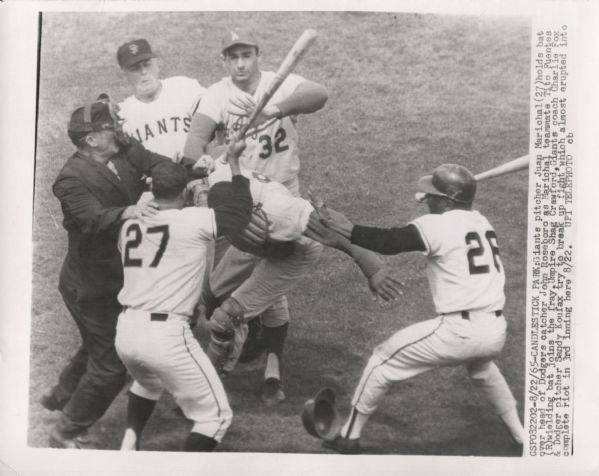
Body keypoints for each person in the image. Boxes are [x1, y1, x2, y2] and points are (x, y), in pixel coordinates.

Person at [312, 163, 524, 454]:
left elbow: (387, 242)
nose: (425, 198)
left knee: (381, 359)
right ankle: (523, 438)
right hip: (495, 331)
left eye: (432, 195)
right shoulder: (482, 221)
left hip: (459, 331)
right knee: (483, 369)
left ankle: (348, 437)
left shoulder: (437, 225)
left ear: (448, 200)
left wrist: (337, 223)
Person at [183, 28, 329, 403]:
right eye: (233, 57)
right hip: (243, 204)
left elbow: (319, 94)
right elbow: (194, 141)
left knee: (270, 291)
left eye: (246, 55)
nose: (240, 63)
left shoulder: (283, 84)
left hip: (285, 202)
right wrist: (202, 158)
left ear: (258, 55)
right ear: (224, 60)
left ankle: (270, 372)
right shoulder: (217, 94)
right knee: (220, 292)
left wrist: (273, 110)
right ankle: (244, 344)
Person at [195, 161, 402, 390]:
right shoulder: (218, 178)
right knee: (210, 298)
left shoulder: (282, 211)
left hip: (296, 249)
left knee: (225, 319)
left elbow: (330, 226)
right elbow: (191, 169)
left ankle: (207, 388)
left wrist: (372, 266)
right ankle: (249, 336)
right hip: (258, 240)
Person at [41, 98, 175, 449]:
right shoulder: (70, 180)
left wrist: (194, 169)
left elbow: (158, 165)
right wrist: (132, 210)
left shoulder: (124, 149)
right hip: (89, 286)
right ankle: (66, 431)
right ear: (91, 140)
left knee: (96, 344)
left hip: (115, 278)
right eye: (107, 126)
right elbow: (91, 219)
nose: (117, 129)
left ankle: (59, 396)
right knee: (113, 361)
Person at [114, 136, 252, 452]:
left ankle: (129, 446)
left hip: (126, 332)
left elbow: (164, 197)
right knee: (215, 418)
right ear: (185, 191)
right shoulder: (193, 220)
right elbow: (240, 214)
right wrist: (234, 163)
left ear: (152, 187)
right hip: (166, 335)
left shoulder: (130, 226)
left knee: (147, 383)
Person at [116, 38, 206, 161]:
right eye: (134, 68)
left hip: (198, 172)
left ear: (156, 65)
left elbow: (217, 119)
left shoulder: (184, 87)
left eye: (147, 64)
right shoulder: (122, 114)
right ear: (124, 74)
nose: (143, 72)